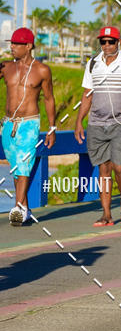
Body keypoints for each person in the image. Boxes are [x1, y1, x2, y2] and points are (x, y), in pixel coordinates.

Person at [74, 26, 121, 226]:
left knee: (119, 166)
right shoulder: (92, 64)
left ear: (118, 42)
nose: (107, 46)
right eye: (103, 42)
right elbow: (87, 95)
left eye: (111, 42)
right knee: (103, 169)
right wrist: (79, 121)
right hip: (97, 123)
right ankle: (106, 214)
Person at [1, 28, 56, 225]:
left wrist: (52, 128)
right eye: (11, 43)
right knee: (16, 168)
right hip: (8, 125)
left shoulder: (42, 70)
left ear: (29, 46)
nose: (12, 47)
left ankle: (17, 208)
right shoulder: (6, 67)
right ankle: (24, 207)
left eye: (16, 44)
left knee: (24, 165)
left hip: (29, 125)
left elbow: (49, 99)